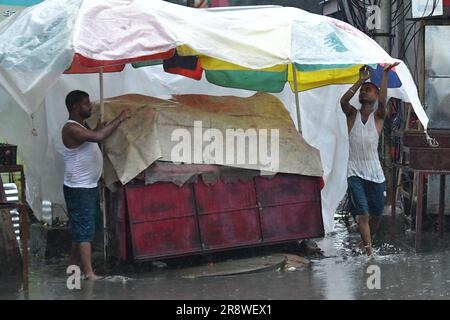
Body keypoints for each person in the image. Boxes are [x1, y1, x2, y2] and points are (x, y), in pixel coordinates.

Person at [62, 90, 130, 281]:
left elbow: (96, 136)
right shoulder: (71, 128)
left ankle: (72, 269)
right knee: (84, 232)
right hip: (79, 187)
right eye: (86, 103)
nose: (90, 106)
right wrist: (119, 119)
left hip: (87, 186)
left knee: (83, 230)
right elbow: (98, 137)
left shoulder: (82, 126)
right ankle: (89, 274)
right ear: (75, 107)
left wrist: (99, 128)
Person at [340, 62, 400, 256]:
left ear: (375, 97)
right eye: (363, 91)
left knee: (376, 214)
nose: (364, 92)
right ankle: (369, 252)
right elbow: (343, 101)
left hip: (375, 172)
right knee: (363, 214)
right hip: (355, 171)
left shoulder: (378, 116)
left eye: (369, 90)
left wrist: (383, 75)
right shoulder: (352, 115)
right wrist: (360, 80)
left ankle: (366, 243)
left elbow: (383, 102)